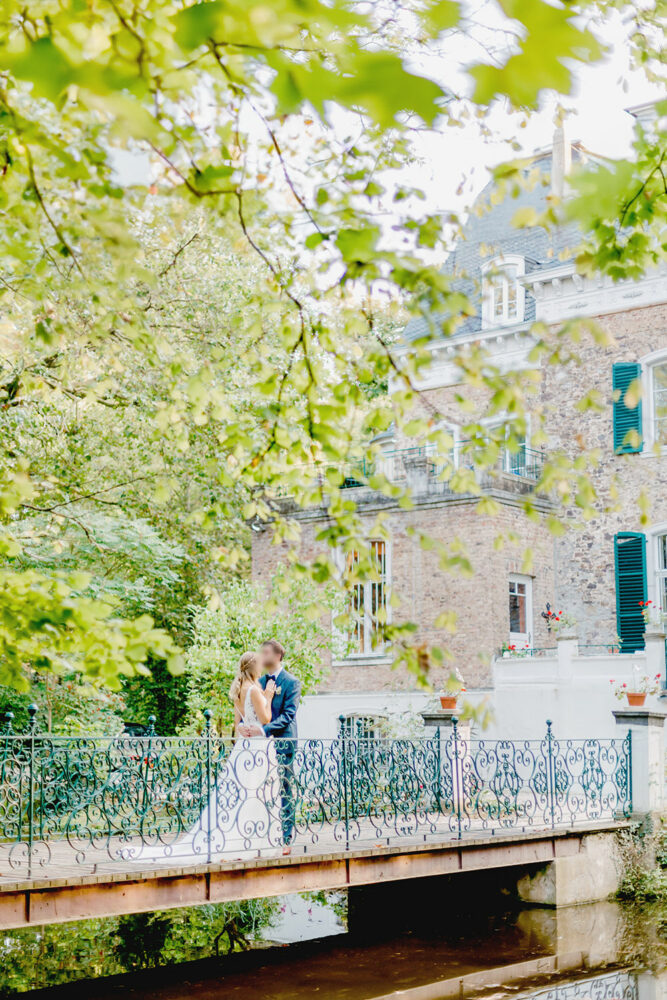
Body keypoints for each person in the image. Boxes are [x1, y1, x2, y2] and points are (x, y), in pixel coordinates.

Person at [130, 651, 282, 864]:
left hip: (244, 748)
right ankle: (252, 842)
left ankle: (243, 839)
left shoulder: (238, 690)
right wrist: (268, 696)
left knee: (242, 795)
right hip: (257, 748)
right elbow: (266, 718)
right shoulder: (256, 690)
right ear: (255, 668)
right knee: (258, 794)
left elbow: (238, 723)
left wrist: (244, 727)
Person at [238, 639, 300, 853]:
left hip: (282, 743)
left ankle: (285, 839)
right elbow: (247, 709)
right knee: (259, 791)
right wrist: (241, 727)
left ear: (278, 655)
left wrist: (263, 731)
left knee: (284, 789)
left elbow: (288, 716)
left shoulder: (292, 682)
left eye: (265, 652)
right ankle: (259, 837)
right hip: (259, 748)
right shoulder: (258, 682)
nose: (262, 656)